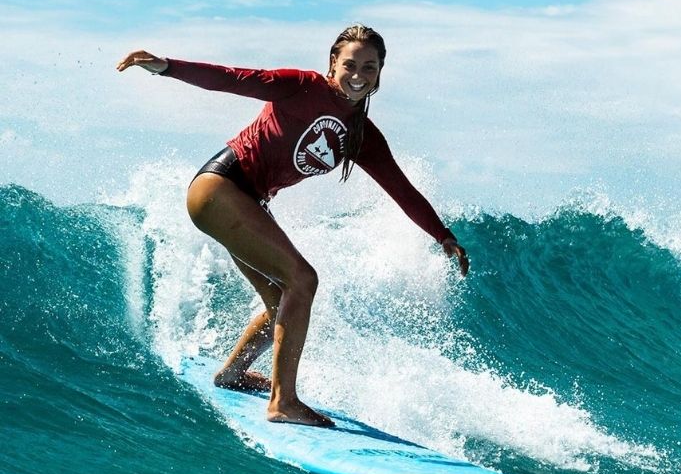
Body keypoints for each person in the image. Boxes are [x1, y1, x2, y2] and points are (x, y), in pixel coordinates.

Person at [117, 25, 469, 427]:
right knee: (303, 280)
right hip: (220, 188)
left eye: (369, 67)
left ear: (379, 73)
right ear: (333, 63)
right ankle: (283, 401)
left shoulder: (361, 136)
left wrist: (442, 236)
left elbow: (400, 188)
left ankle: (232, 374)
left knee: (284, 299)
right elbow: (233, 79)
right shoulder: (300, 87)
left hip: (247, 202)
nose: (358, 74)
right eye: (350, 64)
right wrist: (166, 67)